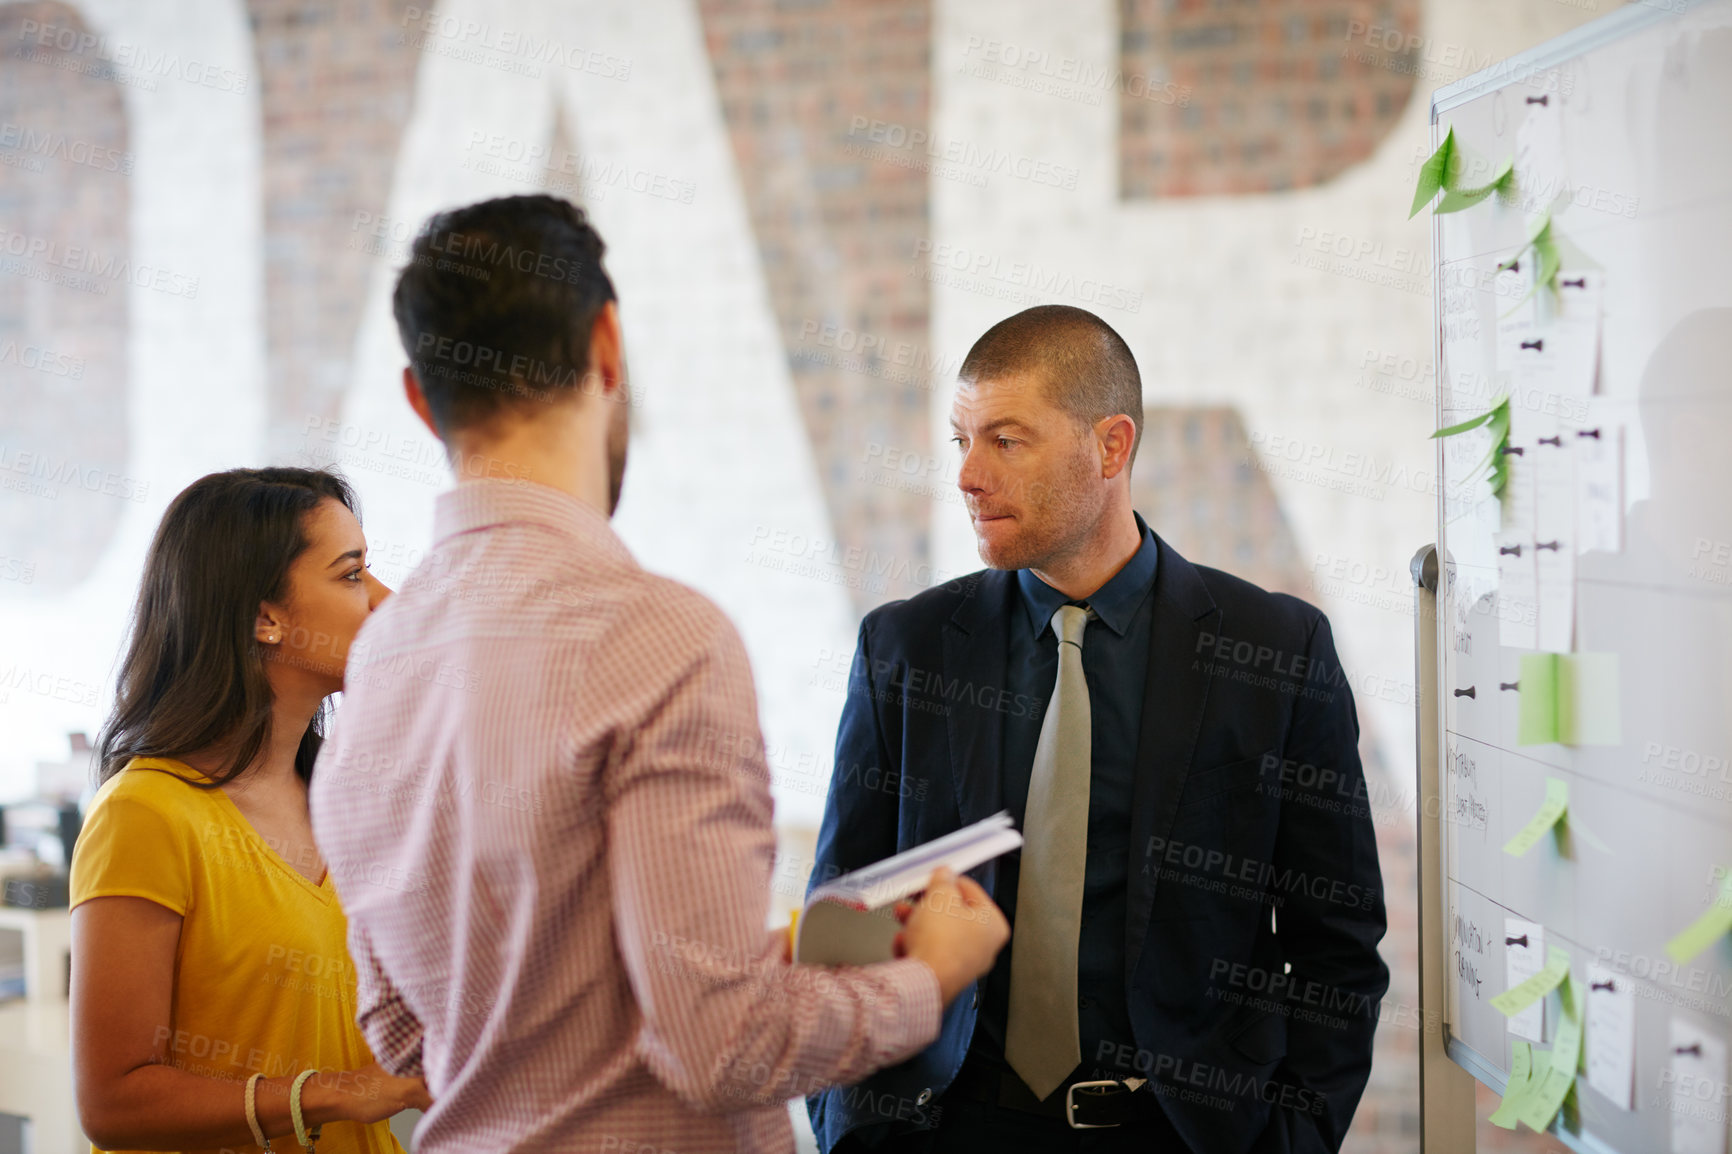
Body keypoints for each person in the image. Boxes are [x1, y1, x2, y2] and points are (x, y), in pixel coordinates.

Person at [308, 193, 1009, 1154]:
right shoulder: (659, 640)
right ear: (606, 342)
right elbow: (719, 1047)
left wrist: (738, 965)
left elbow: (408, 1034)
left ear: (421, 398)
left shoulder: (373, 665)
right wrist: (924, 980)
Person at [806, 305, 1390, 1153]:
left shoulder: (1273, 650)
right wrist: (849, 1130)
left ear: (1111, 447)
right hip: (947, 1129)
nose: (968, 475)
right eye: (960, 440)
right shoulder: (907, 648)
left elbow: (1336, 944)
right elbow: (844, 920)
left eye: (1005, 440)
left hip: (1181, 1134)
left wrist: (1290, 1142)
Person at [70, 467, 430, 1154]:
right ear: (265, 617)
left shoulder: (352, 803)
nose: (386, 601)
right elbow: (113, 1102)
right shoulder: (144, 813)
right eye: (352, 575)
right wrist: (344, 1091)